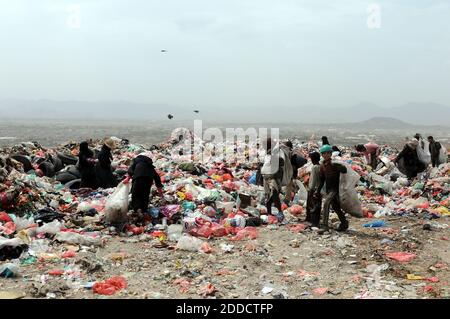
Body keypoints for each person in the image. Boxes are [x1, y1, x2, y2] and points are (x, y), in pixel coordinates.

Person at [315, 145, 348, 233]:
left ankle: (325, 226)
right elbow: (322, 180)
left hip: (335, 188)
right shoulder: (322, 166)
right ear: (322, 155)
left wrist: (339, 166)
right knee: (335, 207)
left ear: (330, 153)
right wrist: (318, 190)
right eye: (324, 153)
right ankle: (344, 223)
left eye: (328, 153)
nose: (326, 155)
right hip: (329, 189)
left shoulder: (334, 164)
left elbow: (344, 170)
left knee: (326, 204)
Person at [124, 152, 163, 223]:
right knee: (145, 195)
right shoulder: (150, 166)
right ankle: (144, 210)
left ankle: (137, 209)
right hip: (148, 180)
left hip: (138, 179)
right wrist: (160, 191)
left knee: (135, 194)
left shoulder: (137, 161)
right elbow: (157, 178)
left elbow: (130, 170)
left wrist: (128, 178)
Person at [260, 138, 284, 219]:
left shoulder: (276, 152)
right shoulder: (267, 154)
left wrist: (273, 156)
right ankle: (269, 213)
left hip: (273, 177)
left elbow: (281, 162)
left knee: (274, 194)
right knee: (268, 195)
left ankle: (280, 212)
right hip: (266, 177)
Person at [306, 152, 322, 227]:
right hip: (319, 189)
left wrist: (311, 190)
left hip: (314, 189)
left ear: (312, 159)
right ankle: (314, 220)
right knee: (317, 205)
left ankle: (314, 222)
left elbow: (313, 180)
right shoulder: (320, 166)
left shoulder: (314, 167)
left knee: (313, 206)